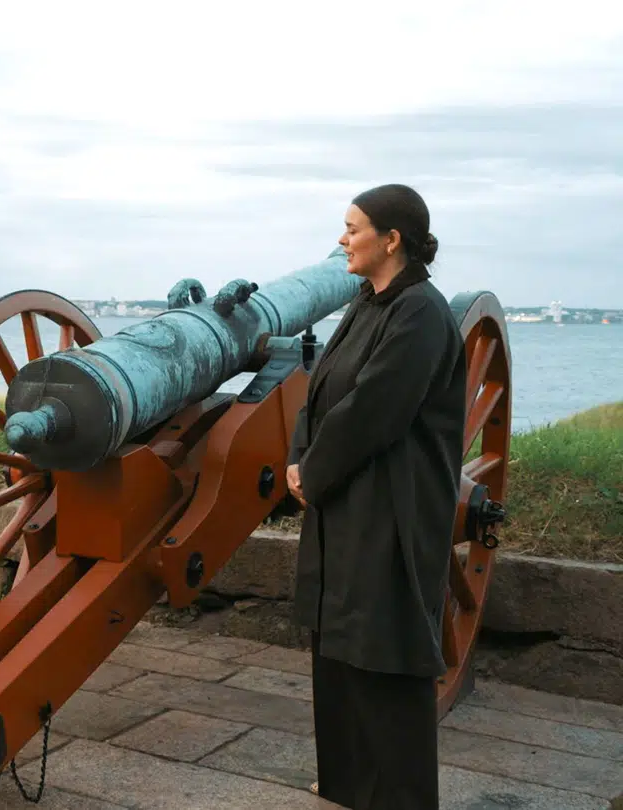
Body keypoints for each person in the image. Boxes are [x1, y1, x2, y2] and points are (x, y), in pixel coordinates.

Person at [286, 183, 466, 810]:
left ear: (391, 240)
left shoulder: (419, 313)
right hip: (346, 500)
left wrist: (315, 472)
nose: (343, 239)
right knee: (338, 642)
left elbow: (375, 411)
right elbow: (321, 388)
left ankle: (400, 795)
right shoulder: (367, 302)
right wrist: (298, 459)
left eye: (353, 227)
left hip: (394, 504)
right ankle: (347, 781)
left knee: (383, 645)